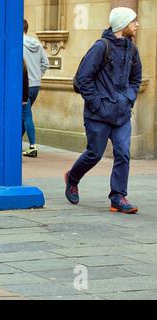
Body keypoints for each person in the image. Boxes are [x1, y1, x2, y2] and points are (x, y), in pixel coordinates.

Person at [65, 7, 142, 214]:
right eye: (133, 21)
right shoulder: (101, 47)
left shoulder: (132, 49)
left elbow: (136, 79)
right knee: (94, 154)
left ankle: (118, 196)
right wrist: (97, 104)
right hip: (98, 114)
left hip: (122, 113)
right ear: (122, 24)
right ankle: (72, 177)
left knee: (123, 153)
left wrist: (129, 98)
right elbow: (83, 79)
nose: (137, 25)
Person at [23, 19, 49, 158]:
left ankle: (32, 146)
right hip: (36, 85)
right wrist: (37, 75)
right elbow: (46, 63)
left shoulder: (17, 44)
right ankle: (17, 142)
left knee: (26, 115)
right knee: (23, 114)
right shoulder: (37, 43)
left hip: (24, 86)